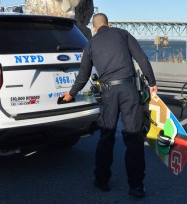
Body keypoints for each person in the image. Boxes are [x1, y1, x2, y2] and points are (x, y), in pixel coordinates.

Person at [62, 13, 158, 198]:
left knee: (107, 135)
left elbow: (83, 76)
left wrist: (71, 93)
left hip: (108, 92)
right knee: (133, 137)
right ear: (109, 24)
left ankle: (102, 180)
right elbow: (142, 59)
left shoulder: (89, 45)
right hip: (129, 90)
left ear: (94, 28)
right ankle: (136, 186)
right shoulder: (122, 34)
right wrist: (152, 82)